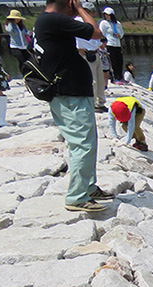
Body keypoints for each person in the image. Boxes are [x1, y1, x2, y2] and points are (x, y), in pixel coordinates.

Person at [35, 0, 112, 212]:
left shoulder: (48, 20)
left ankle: (88, 186)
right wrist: (79, 8)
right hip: (68, 92)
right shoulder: (54, 19)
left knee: (88, 141)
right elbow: (96, 32)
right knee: (82, 144)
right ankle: (77, 196)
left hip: (73, 91)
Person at [74, 3, 106, 112]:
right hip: (86, 54)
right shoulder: (78, 21)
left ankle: (100, 102)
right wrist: (77, 49)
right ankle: (91, 104)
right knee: (92, 81)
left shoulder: (90, 22)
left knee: (100, 80)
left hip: (95, 52)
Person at [98, 7, 123, 82]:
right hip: (109, 44)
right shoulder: (103, 23)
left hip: (117, 44)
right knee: (112, 61)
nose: (107, 16)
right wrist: (102, 43)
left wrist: (120, 35)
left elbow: (122, 33)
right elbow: (101, 33)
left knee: (120, 61)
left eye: (108, 15)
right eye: (105, 15)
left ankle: (120, 77)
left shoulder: (117, 23)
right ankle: (114, 77)